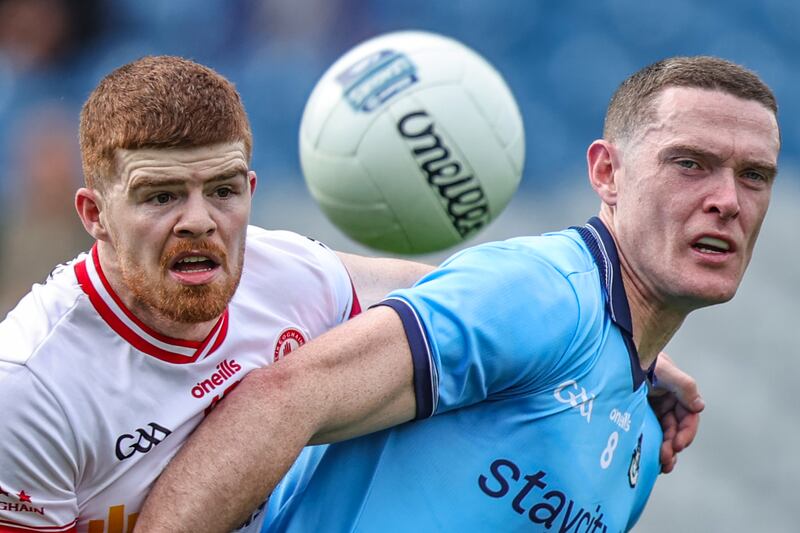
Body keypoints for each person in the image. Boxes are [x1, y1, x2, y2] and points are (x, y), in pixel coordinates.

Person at [0, 55, 698, 533]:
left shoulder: (290, 274)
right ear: (94, 215)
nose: (197, 220)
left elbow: (465, 302)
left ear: (250, 192)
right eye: (159, 195)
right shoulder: (29, 388)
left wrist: (628, 354)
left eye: (220, 190)